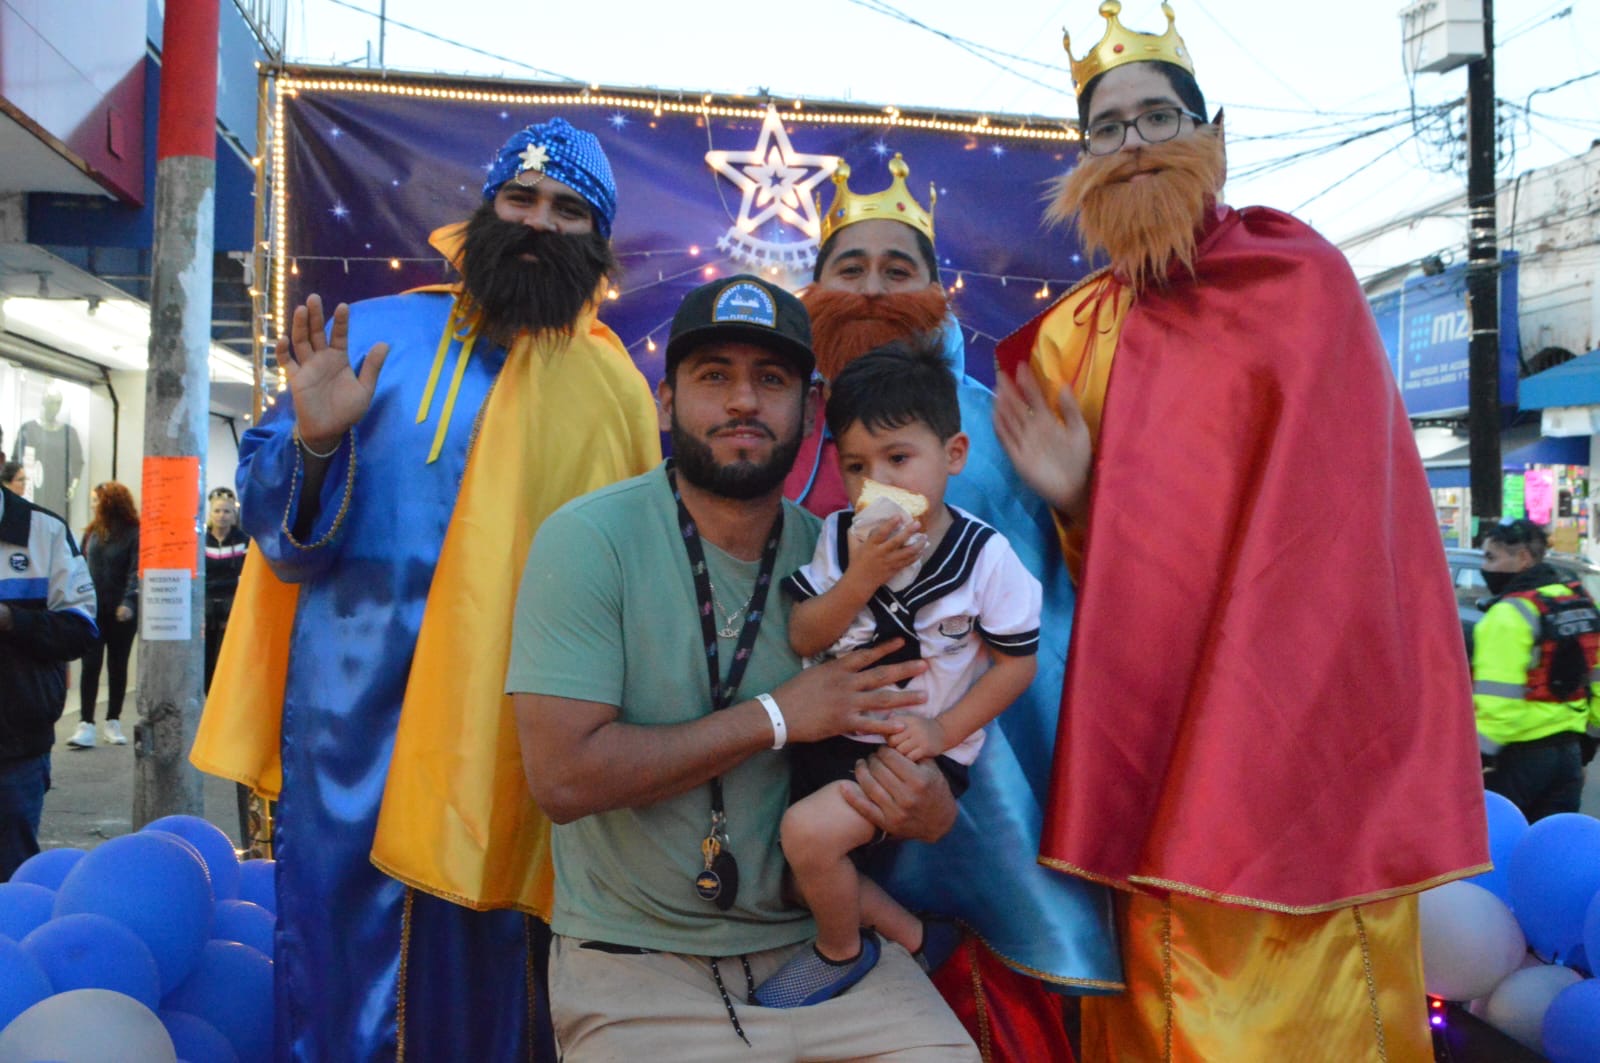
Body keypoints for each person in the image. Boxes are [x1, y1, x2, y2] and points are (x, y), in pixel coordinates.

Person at [992, 4, 1489, 1057]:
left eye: (1157, 117)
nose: (1134, 145)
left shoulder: (1298, 282)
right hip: (1143, 744)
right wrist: (1076, 499)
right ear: (1081, 160)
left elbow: (1353, 530)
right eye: (1107, 127)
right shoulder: (1070, 336)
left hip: (1300, 742)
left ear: (1213, 135)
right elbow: (1057, 581)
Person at [190, 117, 661, 1059]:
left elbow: (636, 594)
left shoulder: (613, 391)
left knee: (492, 988)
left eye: (568, 210)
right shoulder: (369, 336)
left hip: (501, 748)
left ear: (597, 243)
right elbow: (277, 533)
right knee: (335, 977)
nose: (538, 222)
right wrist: (315, 442)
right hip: (350, 735)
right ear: (485, 211)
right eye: (520, 198)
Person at [508, 275, 979, 1060]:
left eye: (771, 378)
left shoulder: (846, 562)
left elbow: (918, 757)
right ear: (666, 401)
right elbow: (562, 779)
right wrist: (778, 716)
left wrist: (927, 801)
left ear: (812, 409)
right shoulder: (589, 540)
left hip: (820, 945)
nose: (743, 401)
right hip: (634, 961)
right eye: (713, 375)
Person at [794, 153, 1120, 1055]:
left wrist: (1078, 504)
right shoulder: (790, 425)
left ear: (939, 292)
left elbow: (1076, 619)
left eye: (897, 269)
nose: (872, 289)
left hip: (982, 804)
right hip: (819, 787)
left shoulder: (992, 428)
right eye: (850, 268)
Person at [772, 338, 1041, 995]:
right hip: (837, 734)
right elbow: (805, 631)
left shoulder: (985, 557)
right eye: (857, 465)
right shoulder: (840, 537)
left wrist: (942, 733)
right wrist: (861, 577)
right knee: (791, 873)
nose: (878, 485)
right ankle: (919, 938)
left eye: (898, 459)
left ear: (954, 455)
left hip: (918, 750)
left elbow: (1016, 666)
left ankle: (839, 954)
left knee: (806, 836)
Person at [0, 473, 96, 878]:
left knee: (11, 879)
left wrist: (11, 619)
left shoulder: (44, 532)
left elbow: (81, 630)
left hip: (14, 748)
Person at [1474, 518, 1600, 821]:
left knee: (1501, 842)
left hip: (1518, 760)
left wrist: (1480, 755)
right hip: (1569, 755)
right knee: (1550, 844)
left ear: (1523, 558)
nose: (1485, 568)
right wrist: (1588, 744)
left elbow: (1498, 700)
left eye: (1491, 557)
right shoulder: (1580, 602)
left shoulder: (1509, 614)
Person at [70, 482, 139, 749]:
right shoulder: (92, 533)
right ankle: (85, 722)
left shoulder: (134, 533)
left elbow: (136, 570)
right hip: (93, 610)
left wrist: (129, 601)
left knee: (117, 665)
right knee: (90, 664)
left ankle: (113, 720)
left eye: (96, 500)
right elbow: (79, 566)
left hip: (122, 612)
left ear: (110, 502)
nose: (92, 505)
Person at [201, 487, 247, 692]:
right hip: (206, 606)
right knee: (206, 657)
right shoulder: (201, 541)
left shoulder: (243, 540)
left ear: (234, 514)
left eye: (227, 511)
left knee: (226, 657)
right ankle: (207, 698)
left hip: (233, 606)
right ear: (211, 513)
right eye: (217, 511)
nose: (222, 516)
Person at [14, 388, 84, 520]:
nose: (55, 407)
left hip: (59, 492)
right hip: (33, 490)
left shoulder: (69, 432)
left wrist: (73, 487)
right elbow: (17, 461)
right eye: (52, 402)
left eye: (58, 403)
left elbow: (77, 462)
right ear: (43, 402)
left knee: (56, 524)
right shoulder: (28, 429)